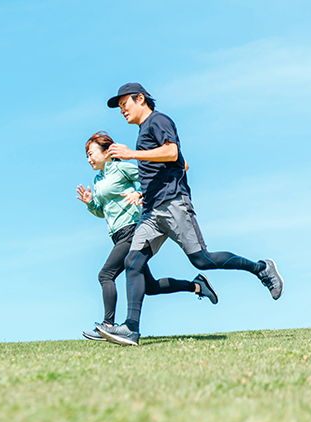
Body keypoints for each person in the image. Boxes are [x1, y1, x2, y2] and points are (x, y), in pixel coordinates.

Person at [95, 83, 284, 347]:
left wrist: (131, 154)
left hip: (173, 204)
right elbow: (180, 162)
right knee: (132, 263)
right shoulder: (143, 132)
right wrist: (142, 193)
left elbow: (172, 152)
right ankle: (131, 328)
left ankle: (261, 268)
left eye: (124, 104)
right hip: (151, 212)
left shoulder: (158, 121)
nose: (122, 110)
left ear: (140, 99)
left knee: (202, 260)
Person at [77, 131, 218, 342]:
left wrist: (139, 194)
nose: (89, 159)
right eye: (86, 156)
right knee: (149, 286)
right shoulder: (97, 180)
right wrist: (90, 203)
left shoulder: (121, 167)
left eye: (91, 154)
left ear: (107, 152)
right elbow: (102, 210)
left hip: (133, 230)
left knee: (105, 275)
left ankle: (107, 326)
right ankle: (197, 285)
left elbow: (151, 179)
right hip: (117, 234)